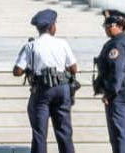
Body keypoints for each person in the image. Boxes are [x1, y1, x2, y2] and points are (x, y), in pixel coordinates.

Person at [13, 9, 77, 153]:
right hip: (62, 88)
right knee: (64, 131)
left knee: (40, 133)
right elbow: (73, 68)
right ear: (52, 26)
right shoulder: (62, 43)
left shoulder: (31, 46)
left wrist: (29, 68)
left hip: (42, 90)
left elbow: (17, 71)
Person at [95, 9, 125, 153]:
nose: (106, 30)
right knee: (121, 132)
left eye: (108, 27)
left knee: (118, 133)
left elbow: (117, 71)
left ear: (116, 26)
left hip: (118, 93)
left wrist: (109, 93)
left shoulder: (117, 44)